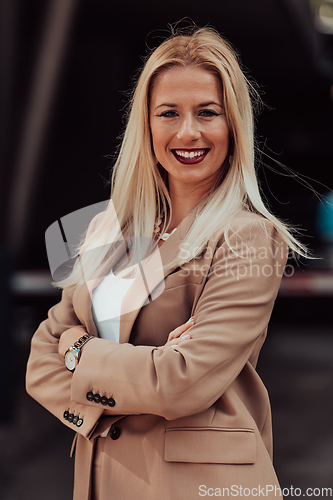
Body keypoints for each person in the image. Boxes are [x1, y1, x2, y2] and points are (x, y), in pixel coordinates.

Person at [26, 26, 306, 500]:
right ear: (146, 124)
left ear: (233, 124)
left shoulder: (248, 238)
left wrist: (80, 353)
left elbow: (182, 382)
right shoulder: (109, 227)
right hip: (101, 479)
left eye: (208, 113)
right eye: (169, 113)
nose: (188, 131)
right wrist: (142, 370)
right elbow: (40, 359)